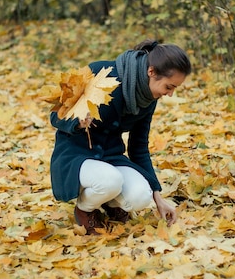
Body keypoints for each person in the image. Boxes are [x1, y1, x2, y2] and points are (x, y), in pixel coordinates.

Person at [49, 39, 192, 234]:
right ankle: (84, 209)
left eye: (174, 88)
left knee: (142, 195)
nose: (170, 94)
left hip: (110, 158)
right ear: (151, 72)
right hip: (76, 155)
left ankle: (109, 201)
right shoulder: (101, 72)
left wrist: (158, 197)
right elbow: (55, 116)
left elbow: (139, 147)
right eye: (169, 87)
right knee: (110, 180)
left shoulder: (147, 97)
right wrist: (77, 122)